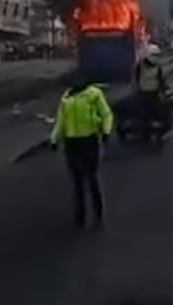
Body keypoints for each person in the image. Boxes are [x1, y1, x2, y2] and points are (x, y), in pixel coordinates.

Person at [50, 74, 114, 230]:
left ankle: (97, 212)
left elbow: (106, 114)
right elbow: (61, 120)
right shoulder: (66, 97)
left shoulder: (94, 94)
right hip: (72, 142)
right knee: (77, 180)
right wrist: (54, 139)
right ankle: (80, 215)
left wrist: (106, 132)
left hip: (89, 140)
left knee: (92, 178)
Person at [134, 44, 166, 142]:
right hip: (143, 93)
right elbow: (135, 78)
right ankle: (145, 135)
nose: (156, 58)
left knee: (158, 112)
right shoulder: (140, 65)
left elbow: (160, 79)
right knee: (145, 115)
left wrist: (164, 89)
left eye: (157, 55)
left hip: (154, 92)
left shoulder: (158, 66)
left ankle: (159, 132)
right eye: (154, 55)